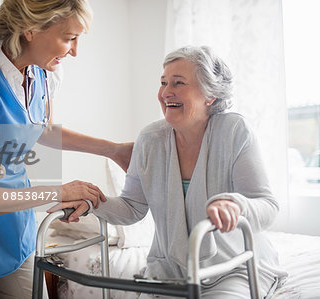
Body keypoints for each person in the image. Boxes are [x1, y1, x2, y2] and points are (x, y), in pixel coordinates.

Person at [0, 1, 133, 298]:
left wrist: (114, 150)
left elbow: (43, 127)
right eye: (69, 38)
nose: (75, 51)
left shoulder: (46, 71)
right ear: (30, 29)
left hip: (10, 204)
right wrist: (58, 192)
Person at [57, 46, 288, 298]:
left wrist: (236, 205)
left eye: (178, 83)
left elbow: (267, 205)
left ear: (210, 95)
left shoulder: (234, 131)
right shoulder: (150, 138)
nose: (166, 92)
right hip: (169, 272)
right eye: (163, 82)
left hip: (232, 269)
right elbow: (133, 207)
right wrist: (94, 201)